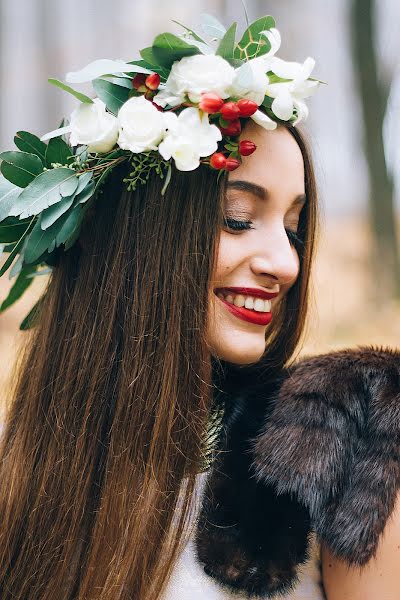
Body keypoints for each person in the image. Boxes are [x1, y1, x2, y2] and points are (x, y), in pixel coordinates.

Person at [0, 12, 399, 600]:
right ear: (132, 241)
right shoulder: (21, 477)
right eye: (238, 218)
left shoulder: (336, 453)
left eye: (294, 230)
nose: (286, 264)